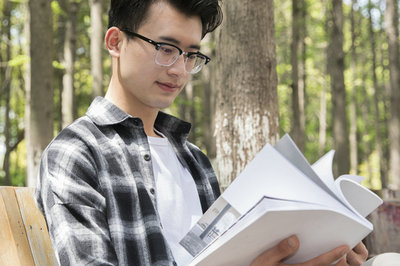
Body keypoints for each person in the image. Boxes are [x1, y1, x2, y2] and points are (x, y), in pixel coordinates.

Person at [35, 0, 368, 265]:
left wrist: (324, 250)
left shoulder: (194, 161)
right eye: (165, 48)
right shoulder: (77, 154)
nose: (179, 70)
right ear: (116, 42)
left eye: (191, 54)